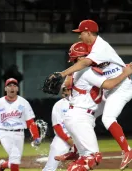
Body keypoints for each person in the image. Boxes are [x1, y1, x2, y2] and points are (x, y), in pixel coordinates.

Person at [49, 19, 132, 170]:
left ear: (88, 32)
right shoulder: (90, 53)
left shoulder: (99, 47)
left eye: (81, 33)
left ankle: (127, 151)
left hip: (121, 86)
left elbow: (84, 63)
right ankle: (76, 151)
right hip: (110, 88)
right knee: (89, 116)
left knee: (107, 118)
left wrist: (62, 74)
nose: (79, 36)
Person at [0, 78, 41, 171]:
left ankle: (3, 165)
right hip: (5, 133)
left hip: (19, 133)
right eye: (9, 85)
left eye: (14, 85)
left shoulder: (24, 103)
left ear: (17, 89)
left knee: (14, 159)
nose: (12, 88)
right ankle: (4, 165)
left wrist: (36, 136)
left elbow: (30, 121)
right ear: (5, 89)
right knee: (15, 157)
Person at [42, 87, 75, 171]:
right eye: (64, 90)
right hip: (62, 139)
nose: (66, 92)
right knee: (50, 167)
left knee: (83, 164)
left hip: (78, 138)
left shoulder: (81, 103)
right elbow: (57, 126)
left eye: (68, 89)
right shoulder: (58, 105)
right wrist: (68, 140)